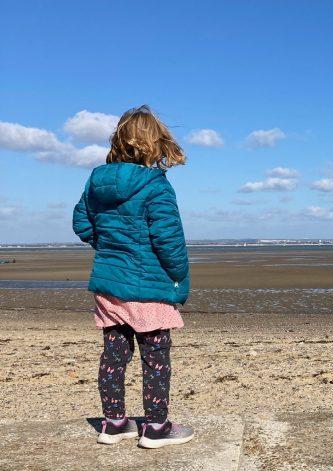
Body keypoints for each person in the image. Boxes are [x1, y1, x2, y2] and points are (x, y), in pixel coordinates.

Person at [72, 105, 194, 449]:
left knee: (113, 355)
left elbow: (82, 223)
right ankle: (155, 428)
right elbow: (168, 240)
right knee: (156, 359)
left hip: (110, 285)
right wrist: (179, 277)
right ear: (155, 143)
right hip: (149, 289)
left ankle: (114, 423)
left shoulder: (96, 181)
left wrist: (109, 247)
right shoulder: (156, 186)